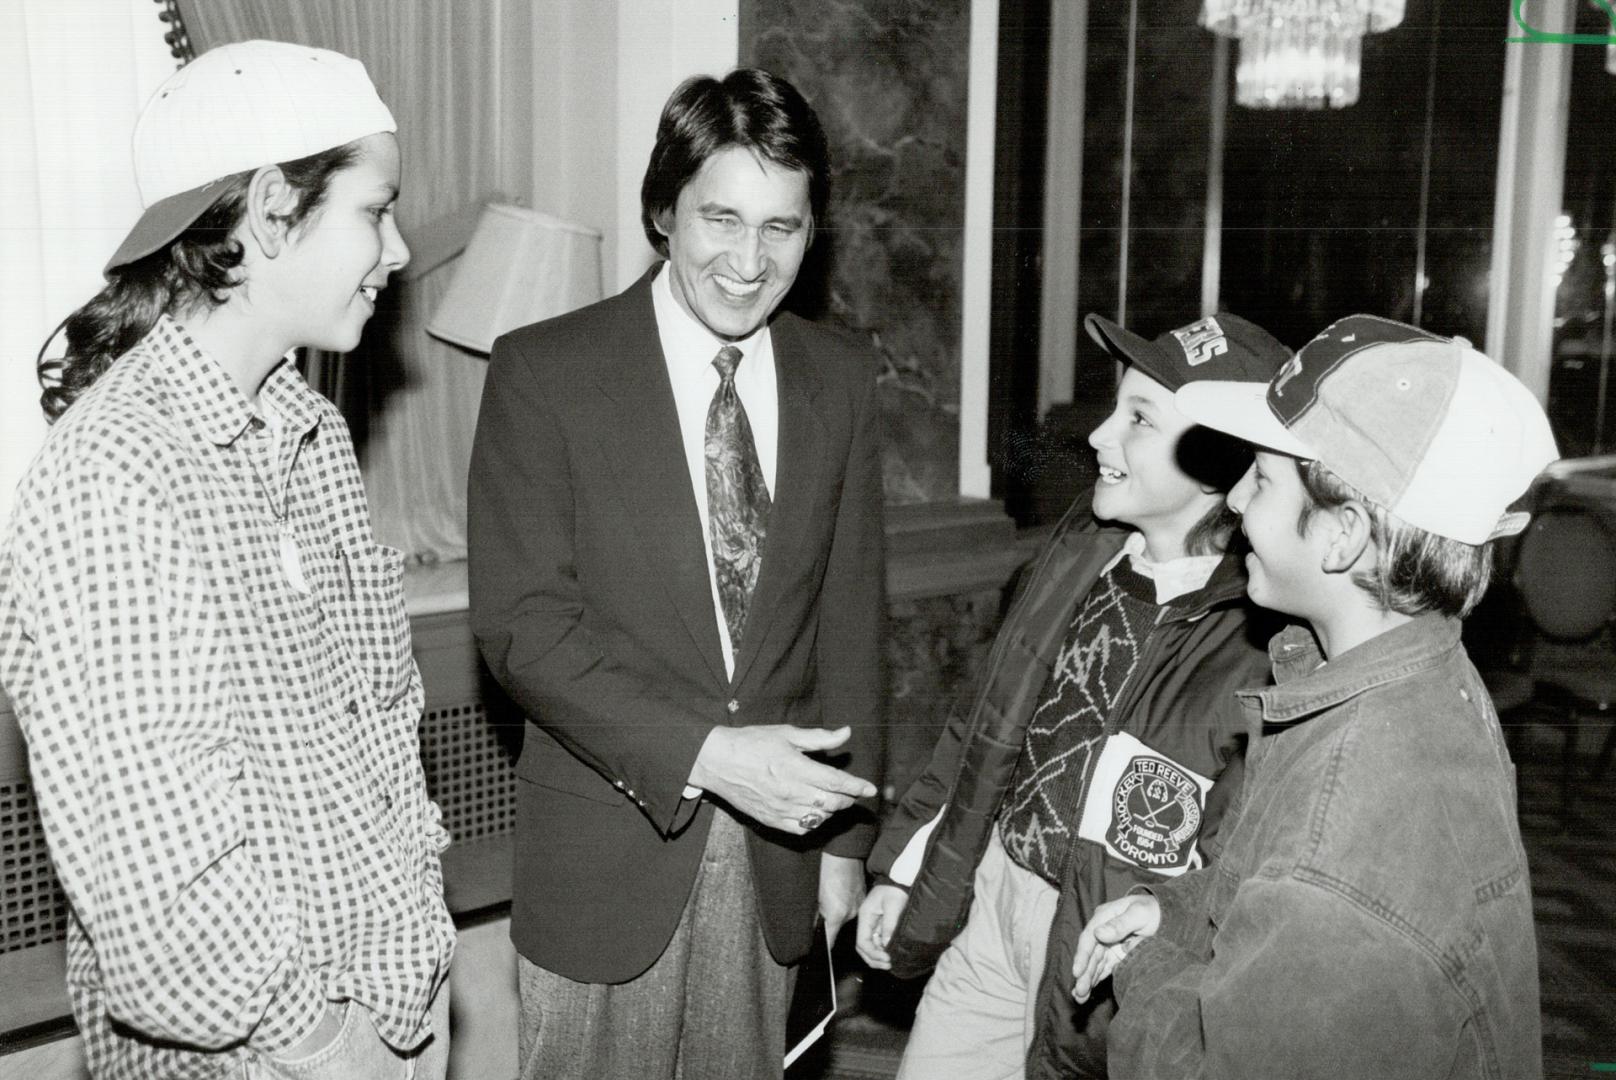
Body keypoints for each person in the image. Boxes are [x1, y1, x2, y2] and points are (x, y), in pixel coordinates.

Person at [0, 40, 453, 1080]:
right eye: (373, 210)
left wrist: (420, 979)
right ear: (268, 209)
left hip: (390, 1018)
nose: (396, 251)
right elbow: (161, 886)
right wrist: (328, 1046)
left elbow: (384, 728)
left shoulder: (313, 435)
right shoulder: (113, 478)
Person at [467, 67, 884, 1080]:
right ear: (662, 210)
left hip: (776, 859)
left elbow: (850, 622)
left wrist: (844, 846)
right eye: (721, 219)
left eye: (782, 228)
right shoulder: (544, 371)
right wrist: (705, 752)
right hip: (605, 858)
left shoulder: (839, 377)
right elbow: (524, 629)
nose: (748, 262)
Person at [1071, 314, 1556, 1079]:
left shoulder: (1348, 823)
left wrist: (1145, 965)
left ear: (1343, 535)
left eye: (1261, 478)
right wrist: (1181, 910)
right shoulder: (1417, 677)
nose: (1231, 499)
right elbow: (1272, 893)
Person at [855, 313, 1291, 1078]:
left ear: (1217, 467)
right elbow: (981, 733)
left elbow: (1242, 859)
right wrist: (903, 868)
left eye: (1139, 420)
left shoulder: (1258, 640)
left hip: (1103, 957)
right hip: (996, 901)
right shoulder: (1079, 553)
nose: (1098, 436)